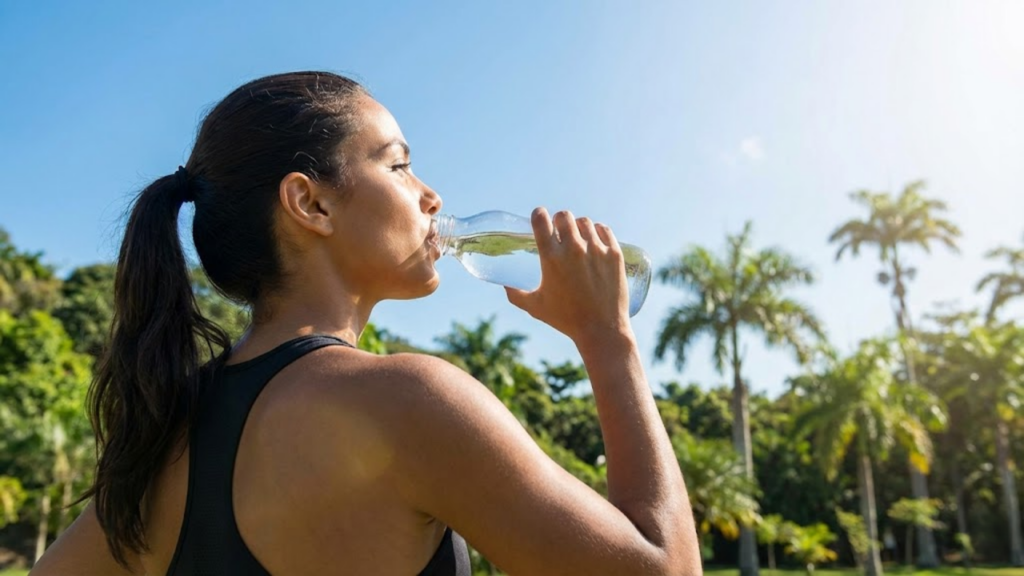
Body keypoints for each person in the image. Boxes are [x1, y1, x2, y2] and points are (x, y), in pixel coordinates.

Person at [29, 71, 701, 576]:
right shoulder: (408, 402)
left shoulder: (166, 431)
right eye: (398, 163)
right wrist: (608, 341)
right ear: (310, 203)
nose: (430, 194)